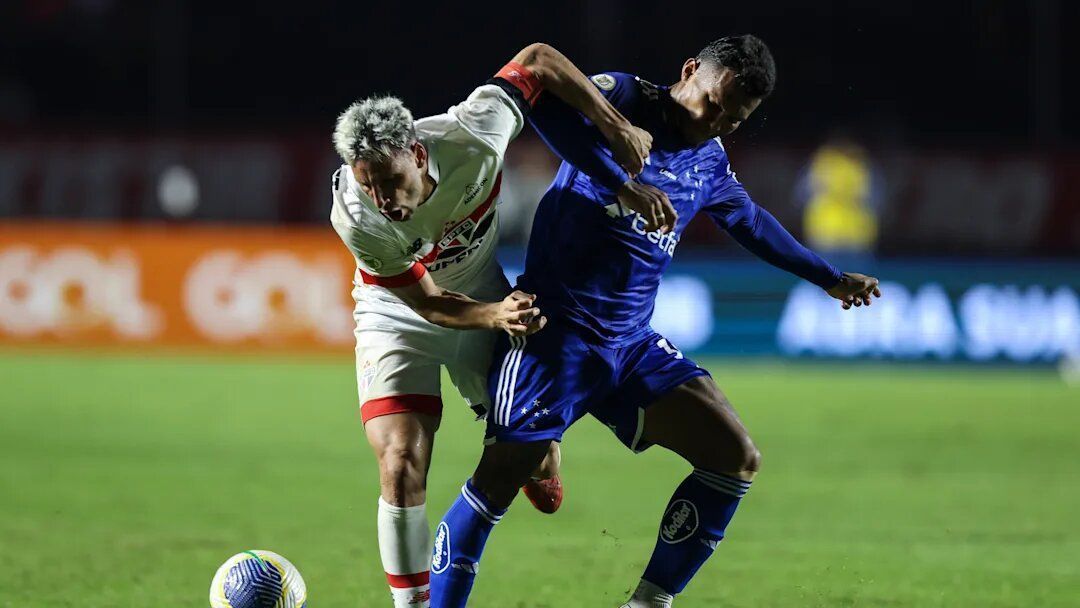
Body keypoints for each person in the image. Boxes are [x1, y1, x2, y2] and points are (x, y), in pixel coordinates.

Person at [429, 35, 881, 607]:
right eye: (712, 103)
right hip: (553, 335)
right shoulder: (625, 99)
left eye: (733, 120)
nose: (715, 122)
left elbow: (752, 223)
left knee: (735, 457)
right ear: (689, 70)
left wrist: (828, 278)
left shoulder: (711, 161)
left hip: (631, 345)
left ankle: (647, 603)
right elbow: (542, 107)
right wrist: (622, 181)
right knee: (493, 488)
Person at [329, 43, 652, 607]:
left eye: (390, 180)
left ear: (418, 153)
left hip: (480, 290)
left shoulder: (473, 132)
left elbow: (540, 60)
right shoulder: (355, 214)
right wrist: (498, 315)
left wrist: (615, 123)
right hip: (397, 315)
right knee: (401, 460)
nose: (383, 199)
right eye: (368, 184)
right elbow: (428, 305)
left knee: (535, 455)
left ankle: (536, 462)